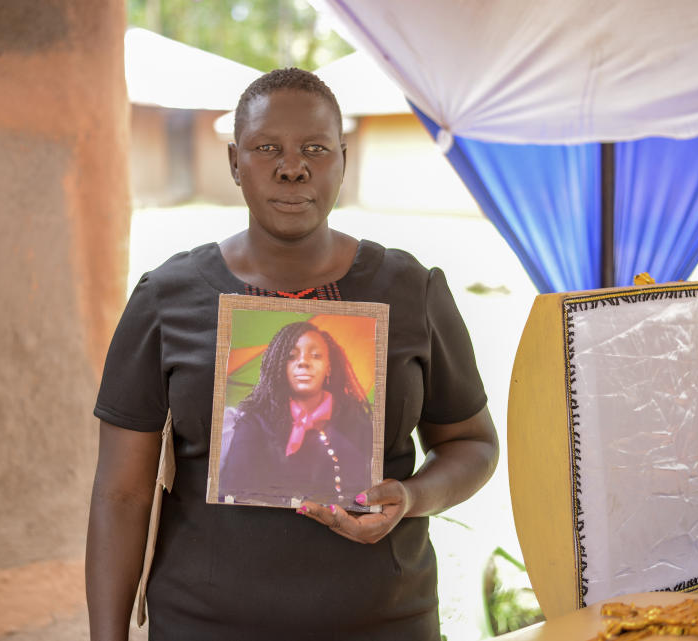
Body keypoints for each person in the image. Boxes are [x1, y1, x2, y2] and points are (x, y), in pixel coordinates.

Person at [86, 68, 499, 640]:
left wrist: (411, 496)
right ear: (235, 163)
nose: (292, 166)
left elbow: (472, 443)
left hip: (383, 623)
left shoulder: (411, 290)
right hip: (204, 625)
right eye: (265, 148)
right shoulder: (167, 298)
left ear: (342, 160)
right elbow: (121, 491)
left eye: (314, 149)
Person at [218, 321, 373, 508]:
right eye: (291, 356)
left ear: (329, 367)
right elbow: (234, 491)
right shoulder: (254, 423)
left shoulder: (358, 421)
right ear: (279, 366)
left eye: (315, 355)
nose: (303, 362)